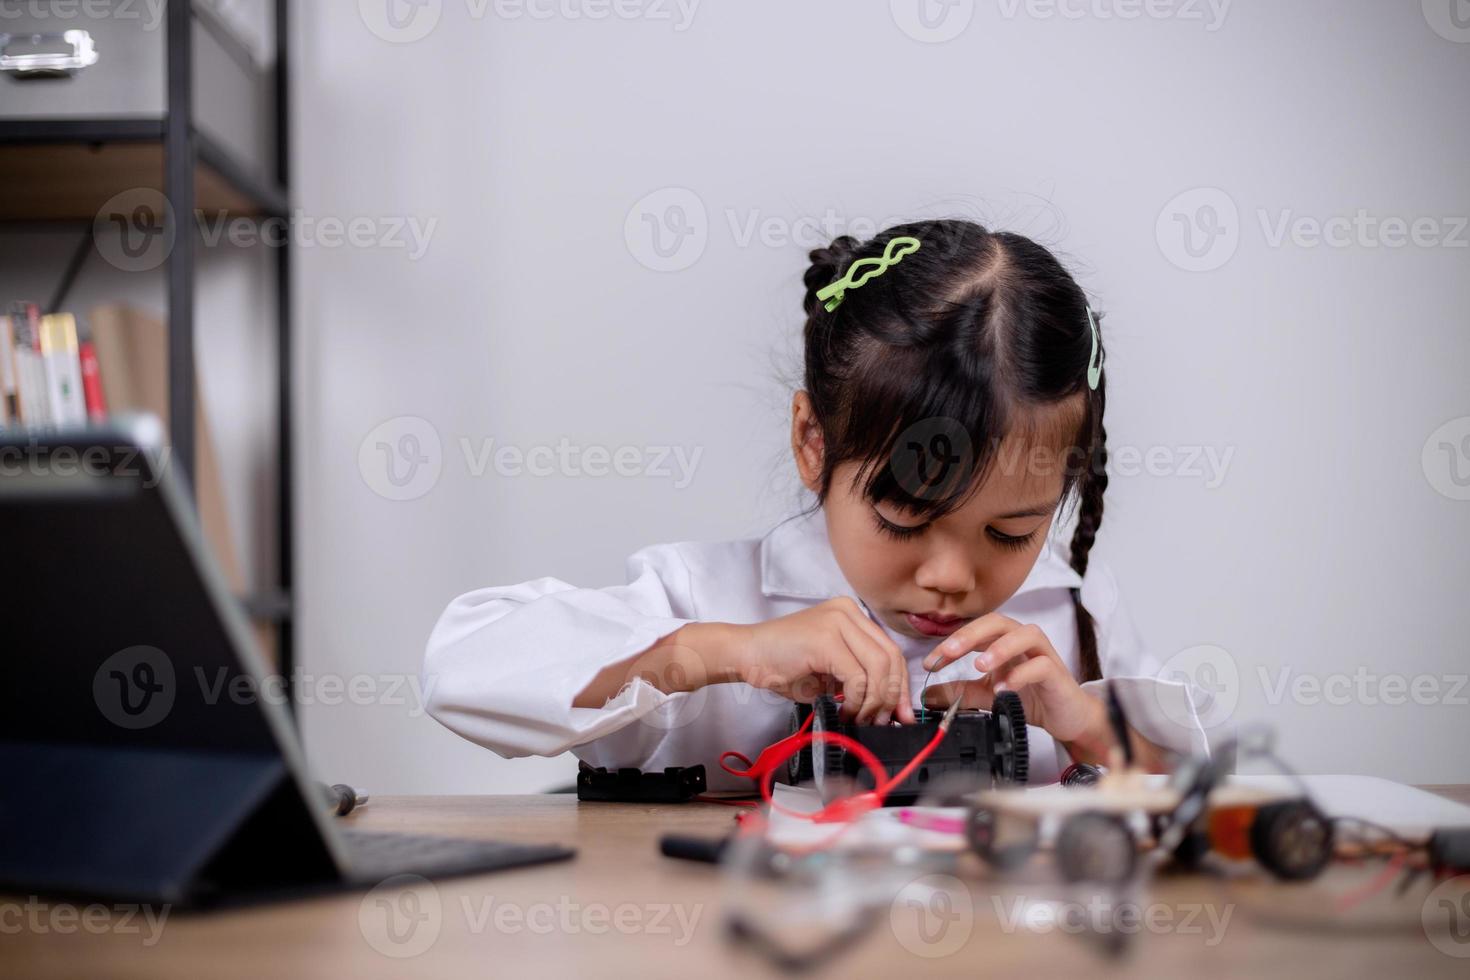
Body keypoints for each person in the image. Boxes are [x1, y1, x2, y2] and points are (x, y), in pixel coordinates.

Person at [423, 220, 1208, 789]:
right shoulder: (709, 599)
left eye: (1010, 532)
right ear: (812, 441)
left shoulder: (1077, 617)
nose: (950, 575)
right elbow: (459, 670)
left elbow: (1215, 801)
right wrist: (719, 653)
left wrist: (1088, 729)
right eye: (905, 517)